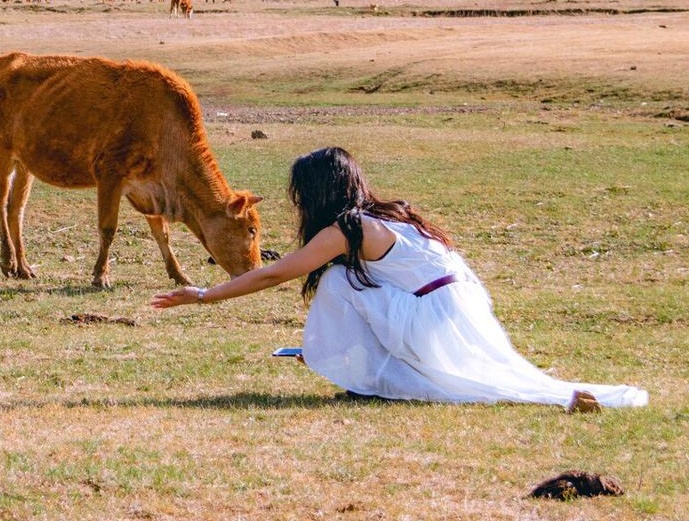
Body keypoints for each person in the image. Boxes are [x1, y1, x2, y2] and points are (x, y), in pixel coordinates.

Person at [151, 147, 648, 410]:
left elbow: (275, 274)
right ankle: (362, 371)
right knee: (349, 281)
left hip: (435, 317)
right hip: (462, 308)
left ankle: (366, 381)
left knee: (338, 283)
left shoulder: (346, 228)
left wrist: (204, 295)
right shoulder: (394, 214)